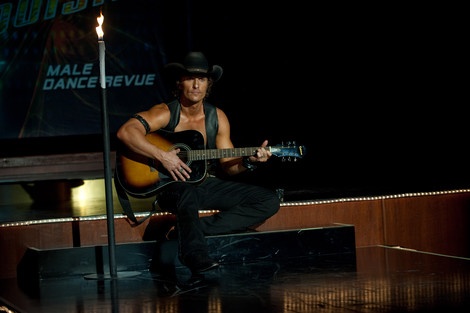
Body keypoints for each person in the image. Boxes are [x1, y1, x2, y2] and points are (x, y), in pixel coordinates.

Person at [116, 51, 280, 275]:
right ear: (179, 82)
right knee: (186, 193)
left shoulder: (216, 117)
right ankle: (194, 255)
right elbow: (126, 132)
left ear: (208, 84)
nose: (195, 85)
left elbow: (229, 166)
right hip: (171, 187)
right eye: (189, 78)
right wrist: (162, 155)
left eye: (201, 79)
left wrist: (250, 162)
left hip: (203, 184)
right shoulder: (166, 112)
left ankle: (187, 230)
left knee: (268, 200)